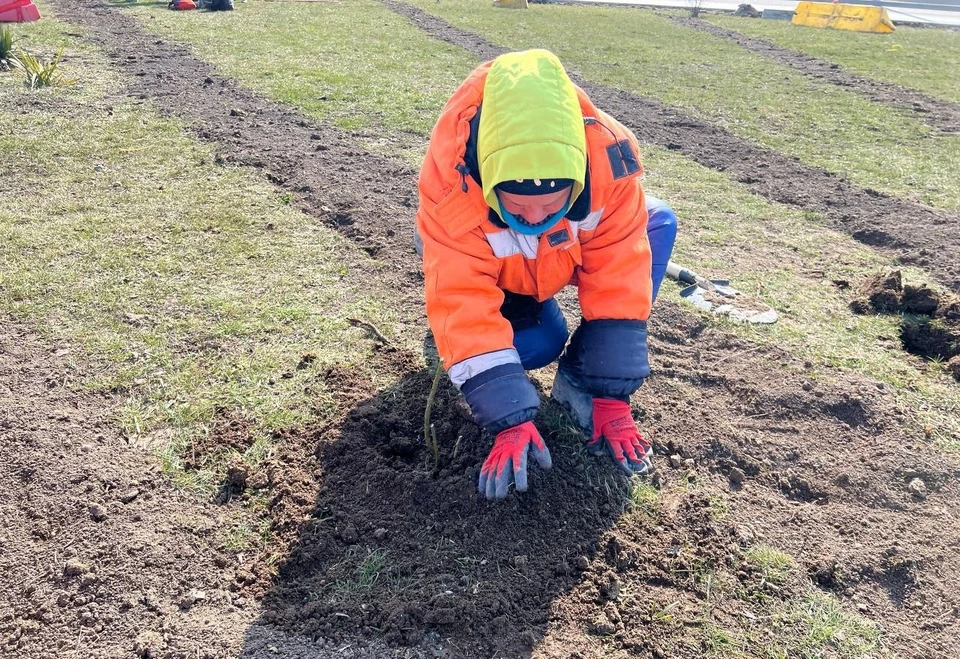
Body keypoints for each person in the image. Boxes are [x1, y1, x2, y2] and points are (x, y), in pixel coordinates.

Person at [415, 49, 678, 500]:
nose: (535, 217)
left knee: (658, 221)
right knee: (536, 346)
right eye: (517, 207)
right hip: (501, 273)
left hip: (559, 260)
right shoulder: (452, 191)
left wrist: (609, 393)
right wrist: (509, 418)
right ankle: (462, 338)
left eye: (552, 204)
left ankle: (579, 379)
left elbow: (620, 270)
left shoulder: (608, 164)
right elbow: (464, 295)